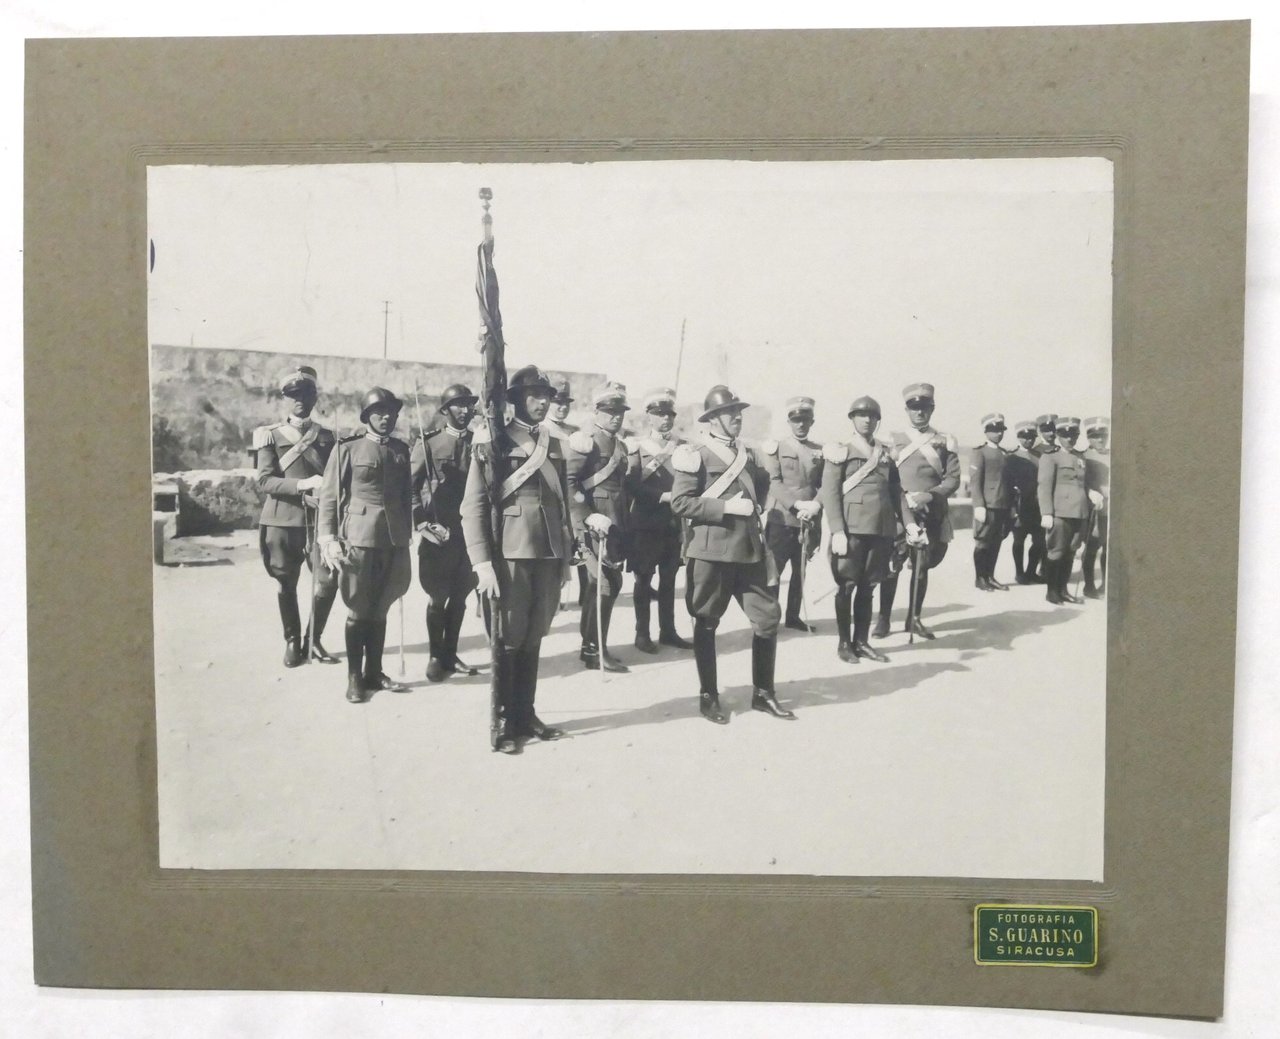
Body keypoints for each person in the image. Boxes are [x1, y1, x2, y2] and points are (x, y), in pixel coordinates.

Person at [460, 365, 576, 754]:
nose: (543, 402)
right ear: (515, 400)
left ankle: (526, 713)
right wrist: (481, 563)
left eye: (547, 396)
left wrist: (565, 559)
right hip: (508, 554)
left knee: (533, 636)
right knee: (508, 638)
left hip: (547, 552)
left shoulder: (554, 443)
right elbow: (473, 507)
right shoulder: (493, 442)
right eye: (534, 395)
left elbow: (560, 505)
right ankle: (504, 720)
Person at [670, 385, 794, 724]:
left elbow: (765, 484)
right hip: (711, 551)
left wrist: (755, 507)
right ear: (711, 420)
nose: (736, 417)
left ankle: (763, 693)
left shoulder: (750, 455)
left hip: (749, 550)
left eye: (738, 412)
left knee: (767, 620)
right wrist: (725, 507)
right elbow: (681, 503)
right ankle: (708, 695)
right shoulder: (695, 454)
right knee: (707, 621)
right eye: (728, 413)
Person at [317, 387, 414, 703]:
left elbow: (405, 496)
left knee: (382, 606)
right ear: (366, 417)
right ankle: (354, 678)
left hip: (393, 539)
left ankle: (375, 671)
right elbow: (330, 497)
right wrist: (328, 538)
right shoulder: (347, 448)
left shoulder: (401, 450)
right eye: (378, 412)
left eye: (390, 412)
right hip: (358, 538)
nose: (385, 418)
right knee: (359, 609)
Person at [252, 365, 340, 668]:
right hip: (282, 521)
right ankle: (292, 640)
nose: (299, 400)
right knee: (286, 582)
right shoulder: (269, 436)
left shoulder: (328, 437)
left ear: (314, 398)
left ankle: (313, 639)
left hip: (320, 523)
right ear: (284, 399)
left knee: (328, 581)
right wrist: (303, 484)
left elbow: (337, 478)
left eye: (305, 394)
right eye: (293, 395)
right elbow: (264, 481)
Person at [872, 382, 960, 641]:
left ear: (931, 409)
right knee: (892, 565)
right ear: (907, 410)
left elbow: (952, 479)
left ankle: (914, 618)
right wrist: (903, 498)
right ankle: (884, 619)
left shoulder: (945, 441)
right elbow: (883, 474)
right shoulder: (891, 440)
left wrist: (928, 496)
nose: (919, 412)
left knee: (922, 567)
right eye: (914, 408)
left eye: (924, 408)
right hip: (898, 512)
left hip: (929, 511)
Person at [820, 396, 900, 664]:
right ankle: (844, 643)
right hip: (852, 530)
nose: (867, 420)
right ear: (852, 419)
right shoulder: (840, 450)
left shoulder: (886, 452)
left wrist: (909, 524)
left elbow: (895, 493)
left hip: (880, 529)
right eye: (861, 415)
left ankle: (862, 641)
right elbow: (830, 494)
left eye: (872, 416)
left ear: (878, 421)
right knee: (847, 586)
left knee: (869, 587)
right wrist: (837, 530)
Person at [410, 383, 480, 682]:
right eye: (457, 405)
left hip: (471, 534)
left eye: (468, 405)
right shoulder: (428, 444)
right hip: (440, 532)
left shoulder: (480, 443)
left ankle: (451, 654)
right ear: (445, 410)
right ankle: (436, 656)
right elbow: (409, 488)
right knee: (438, 597)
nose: (464, 411)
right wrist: (423, 523)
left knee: (461, 596)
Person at [565, 382, 633, 672]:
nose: (615, 417)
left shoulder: (621, 445)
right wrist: (587, 516)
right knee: (602, 585)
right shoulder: (586, 442)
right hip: (594, 525)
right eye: (609, 411)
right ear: (596, 412)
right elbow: (569, 484)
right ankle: (594, 649)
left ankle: (592, 644)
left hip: (615, 524)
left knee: (610, 584)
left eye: (619, 412)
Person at [626, 387, 694, 653]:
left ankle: (668, 631)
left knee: (669, 580)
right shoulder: (638, 448)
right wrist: (662, 496)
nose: (665, 419)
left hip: (673, 524)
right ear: (649, 417)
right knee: (643, 579)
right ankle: (641, 634)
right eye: (659, 414)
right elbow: (631, 484)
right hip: (645, 523)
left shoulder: (681, 447)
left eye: (669, 414)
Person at [761, 395, 824, 632]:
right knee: (774, 571)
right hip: (783, 517)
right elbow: (773, 482)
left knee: (801, 570)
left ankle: (794, 616)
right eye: (795, 420)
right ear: (789, 422)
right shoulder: (776, 448)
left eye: (805, 419)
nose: (800, 424)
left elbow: (825, 483)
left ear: (812, 421)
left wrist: (815, 505)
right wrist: (796, 505)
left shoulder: (820, 451)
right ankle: (771, 618)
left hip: (809, 519)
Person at [1037, 415, 1103, 605]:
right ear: (1058, 435)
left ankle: (1063, 590)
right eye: (1065, 434)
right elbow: (1044, 486)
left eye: (1073, 434)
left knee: (1071, 552)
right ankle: (1052, 591)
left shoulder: (1080, 457)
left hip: (1080, 511)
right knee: (1056, 552)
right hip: (1060, 512)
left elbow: (1083, 483)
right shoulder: (1050, 457)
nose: (1070, 438)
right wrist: (1046, 512)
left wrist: (1092, 493)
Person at [969, 413, 1013, 591]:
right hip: (987, 505)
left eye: (1001, 430)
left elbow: (1008, 483)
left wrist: (1010, 506)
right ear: (986, 432)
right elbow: (975, 481)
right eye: (994, 430)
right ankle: (980, 578)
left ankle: (990, 576)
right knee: (983, 542)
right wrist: (979, 505)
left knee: (996, 542)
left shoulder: (1004, 454)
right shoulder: (979, 452)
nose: (998, 434)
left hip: (1002, 504)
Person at [1006, 419, 1046, 584]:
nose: (1027, 440)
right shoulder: (1011, 456)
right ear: (1018, 437)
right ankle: (1019, 573)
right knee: (1019, 540)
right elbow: (1007, 482)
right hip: (1021, 505)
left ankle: (1031, 572)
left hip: (1037, 505)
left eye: (1031, 437)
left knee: (1039, 540)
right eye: (1024, 437)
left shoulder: (1041, 456)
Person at [1081, 416, 1111, 599]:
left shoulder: (1113, 455)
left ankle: (1105, 585)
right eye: (1096, 436)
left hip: (1112, 509)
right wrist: (1090, 491)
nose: (1100, 440)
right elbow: (1078, 482)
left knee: (1109, 548)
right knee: (1092, 547)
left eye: (1103, 436)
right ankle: (1088, 585)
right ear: (1089, 438)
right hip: (1094, 509)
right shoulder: (1083, 456)